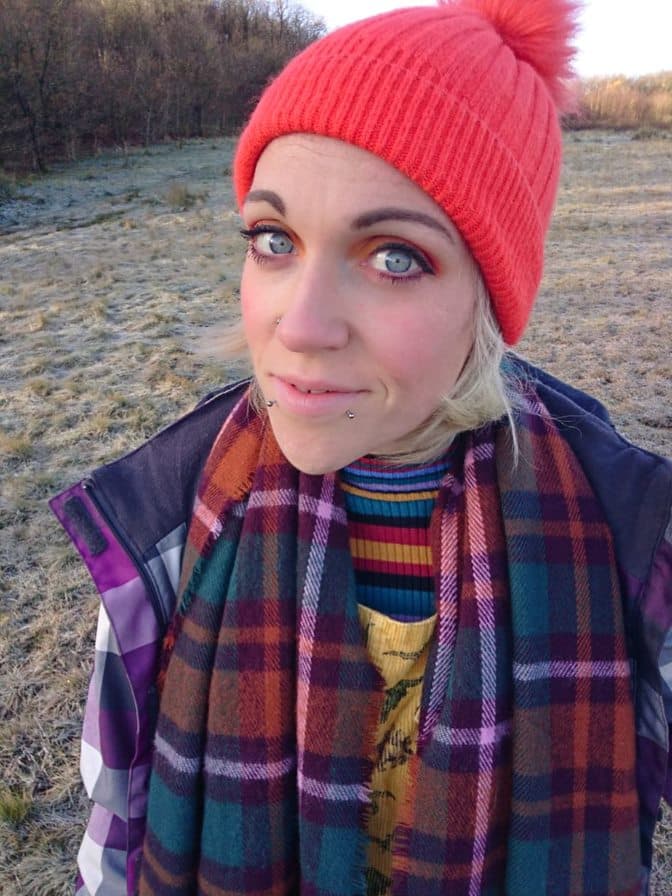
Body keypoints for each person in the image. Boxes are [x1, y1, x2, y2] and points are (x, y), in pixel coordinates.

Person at [50, 0, 672, 893]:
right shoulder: (172, 521)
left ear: (490, 303)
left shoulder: (632, 539)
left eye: (393, 258)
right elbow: (115, 839)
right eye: (274, 240)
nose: (299, 327)